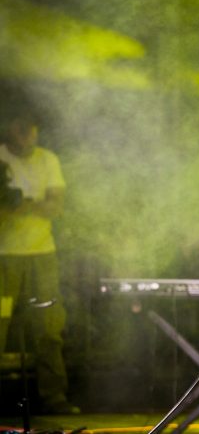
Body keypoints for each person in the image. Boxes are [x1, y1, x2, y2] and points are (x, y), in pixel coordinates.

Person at [0, 109, 79, 415]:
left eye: (31, 129)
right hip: (4, 257)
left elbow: (56, 207)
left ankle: (55, 397)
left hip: (42, 255)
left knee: (49, 326)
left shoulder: (48, 160)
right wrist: (30, 205)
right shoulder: (1, 158)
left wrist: (22, 204)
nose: (27, 136)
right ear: (10, 128)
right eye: (21, 129)